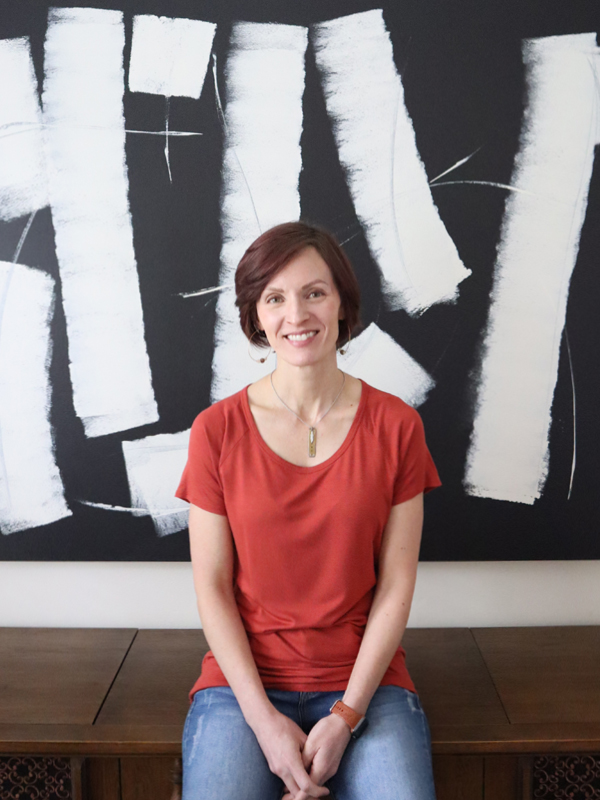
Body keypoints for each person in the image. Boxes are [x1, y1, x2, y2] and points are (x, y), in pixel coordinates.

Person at [176, 221, 441, 800]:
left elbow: (396, 586)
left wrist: (346, 715)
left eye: (314, 292)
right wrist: (265, 725)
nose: (296, 315)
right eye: (275, 298)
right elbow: (212, 588)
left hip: (366, 684)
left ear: (342, 303)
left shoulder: (398, 426)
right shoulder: (215, 431)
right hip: (242, 687)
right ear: (256, 316)